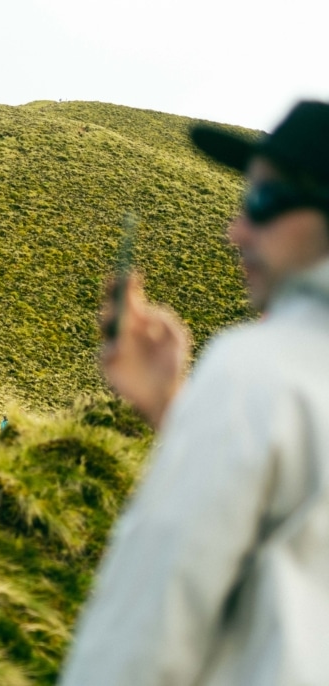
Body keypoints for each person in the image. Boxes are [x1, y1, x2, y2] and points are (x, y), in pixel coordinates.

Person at [59, 100, 329, 685]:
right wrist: (173, 408)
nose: (237, 230)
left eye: (262, 200)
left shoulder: (255, 369)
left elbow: (143, 632)